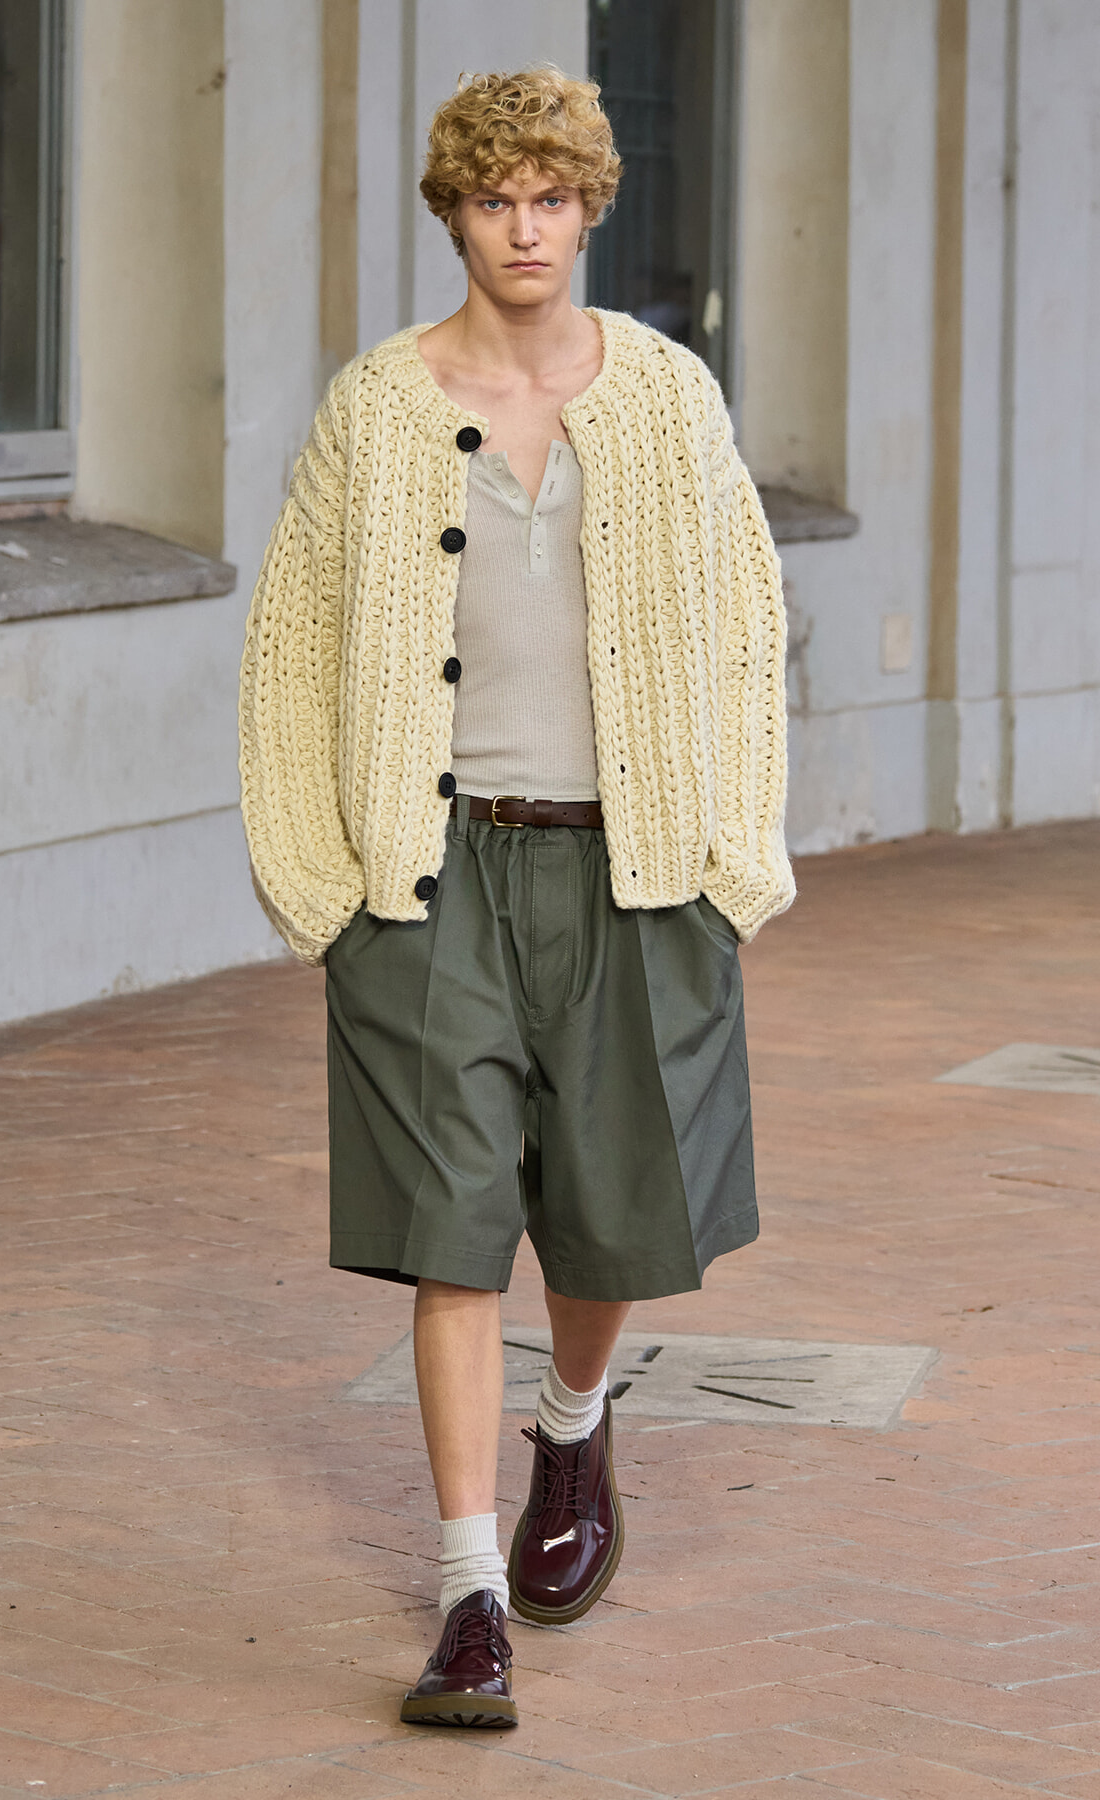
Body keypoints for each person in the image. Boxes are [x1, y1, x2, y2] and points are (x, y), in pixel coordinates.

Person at [239, 67, 794, 1731]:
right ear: (457, 216)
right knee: (453, 1230)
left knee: (617, 1212)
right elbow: (292, 646)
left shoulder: (671, 399)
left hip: (634, 863)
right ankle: (468, 1592)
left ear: (589, 205)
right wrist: (324, 888)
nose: (525, 224)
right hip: (434, 871)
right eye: (495, 198)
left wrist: (731, 862)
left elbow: (750, 626)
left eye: (551, 194)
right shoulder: (379, 406)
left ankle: (579, 1412)